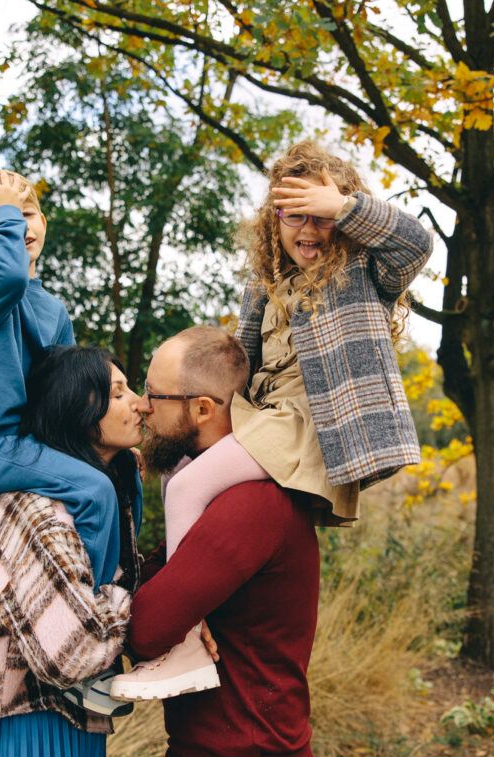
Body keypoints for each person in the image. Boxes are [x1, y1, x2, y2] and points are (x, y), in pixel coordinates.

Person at [111, 140, 434, 702]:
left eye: (321, 216)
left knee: (185, 486)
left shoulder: (362, 272)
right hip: (266, 416)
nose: (309, 229)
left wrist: (345, 208)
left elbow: (416, 243)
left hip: (312, 426)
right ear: (274, 220)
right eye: (294, 215)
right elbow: (241, 362)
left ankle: (183, 642)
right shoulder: (267, 284)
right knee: (180, 465)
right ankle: (169, 585)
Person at [119, 326, 321, 757]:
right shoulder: (216, 495)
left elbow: (146, 628)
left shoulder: (251, 505)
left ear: (203, 409)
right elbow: (158, 578)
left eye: (154, 394)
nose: (143, 406)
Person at [0, 345, 144, 757]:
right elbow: (75, 652)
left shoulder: (99, 497)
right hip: (22, 740)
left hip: (75, 730)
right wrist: (129, 600)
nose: (140, 403)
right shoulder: (35, 512)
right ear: (77, 410)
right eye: (119, 394)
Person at [0, 170, 121, 592]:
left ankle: (122, 580)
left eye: (26, 213)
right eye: (3, 218)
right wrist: (8, 212)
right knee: (94, 491)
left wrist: (107, 440)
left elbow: (66, 395)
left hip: (22, 442)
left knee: (120, 470)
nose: (18, 224)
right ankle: (90, 602)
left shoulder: (54, 309)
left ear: (43, 223)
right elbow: (11, 276)